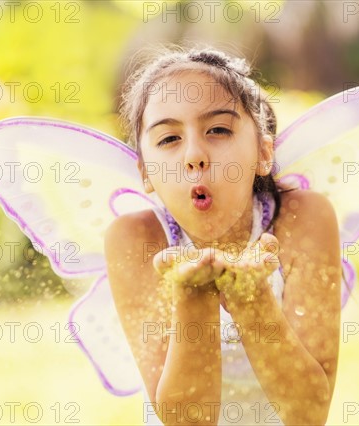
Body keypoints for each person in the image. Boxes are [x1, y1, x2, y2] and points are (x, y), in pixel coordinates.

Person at [104, 46, 341, 425]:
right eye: (168, 139)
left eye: (218, 130)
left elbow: (308, 413)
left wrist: (252, 299)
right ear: (145, 172)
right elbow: (186, 419)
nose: (194, 155)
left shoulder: (304, 219)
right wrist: (192, 295)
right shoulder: (136, 240)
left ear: (263, 152)